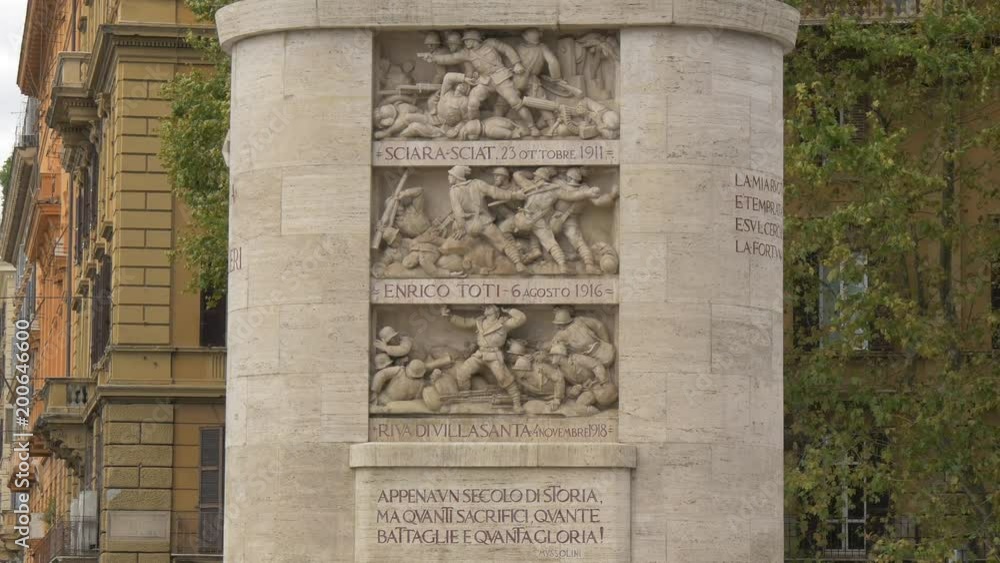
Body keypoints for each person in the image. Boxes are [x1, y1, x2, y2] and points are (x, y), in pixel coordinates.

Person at [419, 30, 538, 136]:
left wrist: (517, 63)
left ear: (474, 39)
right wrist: (433, 58)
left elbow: (507, 49)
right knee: (472, 102)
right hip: (485, 81)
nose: (465, 43)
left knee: (515, 102)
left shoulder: (491, 43)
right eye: (464, 41)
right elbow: (451, 58)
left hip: (501, 78)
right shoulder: (467, 53)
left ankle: (532, 127)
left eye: (467, 40)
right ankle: (475, 127)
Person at [500, 167, 600, 273]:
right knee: (551, 243)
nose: (534, 178)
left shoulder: (529, 185)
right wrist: (587, 193)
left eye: (535, 176)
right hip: (539, 222)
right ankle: (562, 265)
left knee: (503, 228)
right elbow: (571, 195)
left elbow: (517, 174)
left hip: (523, 219)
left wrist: (530, 174)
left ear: (538, 177)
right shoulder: (554, 190)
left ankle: (518, 256)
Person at [442, 305, 527, 412]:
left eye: (489, 307)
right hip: (480, 354)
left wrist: (509, 310)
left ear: (496, 310)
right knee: (462, 372)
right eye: (485, 307)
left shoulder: (503, 323)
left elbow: (521, 318)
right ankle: (465, 398)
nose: (485, 308)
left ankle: (517, 403)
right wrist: (449, 316)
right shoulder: (480, 321)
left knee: (504, 378)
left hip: (494, 355)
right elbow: (464, 322)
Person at [447, 165, 527, 272]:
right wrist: (514, 195)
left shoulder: (453, 191)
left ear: (456, 176)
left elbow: (458, 212)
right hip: (484, 222)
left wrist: (461, 228)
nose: (448, 177)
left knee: (454, 238)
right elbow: (495, 192)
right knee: (503, 242)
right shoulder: (477, 183)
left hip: (469, 226)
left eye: (450, 175)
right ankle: (518, 263)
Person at [551, 168, 619, 274]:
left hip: (557, 218)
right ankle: (588, 265)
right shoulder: (585, 189)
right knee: (579, 243)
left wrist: (611, 196)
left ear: (568, 177)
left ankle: (582, 265)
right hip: (562, 219)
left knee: (548, 239)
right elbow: (598, 201)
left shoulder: (560, 184)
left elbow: (597, 201)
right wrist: (611, 196)